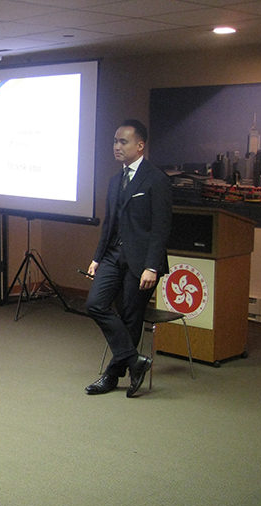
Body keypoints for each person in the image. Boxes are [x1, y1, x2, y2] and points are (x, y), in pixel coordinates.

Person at [84, 119, 172, 397]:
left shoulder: (156, 179)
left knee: (132, 318)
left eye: (123, 142)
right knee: (95, 304)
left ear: (140, 145)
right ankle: (134, 361)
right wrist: (97, 258)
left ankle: (112, 375)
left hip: (142, 261)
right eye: (114, 141)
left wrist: (152, 266)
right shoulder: (114, 181)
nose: (116, 147)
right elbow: (109, 223)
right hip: (112, 256)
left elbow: (161, 227)